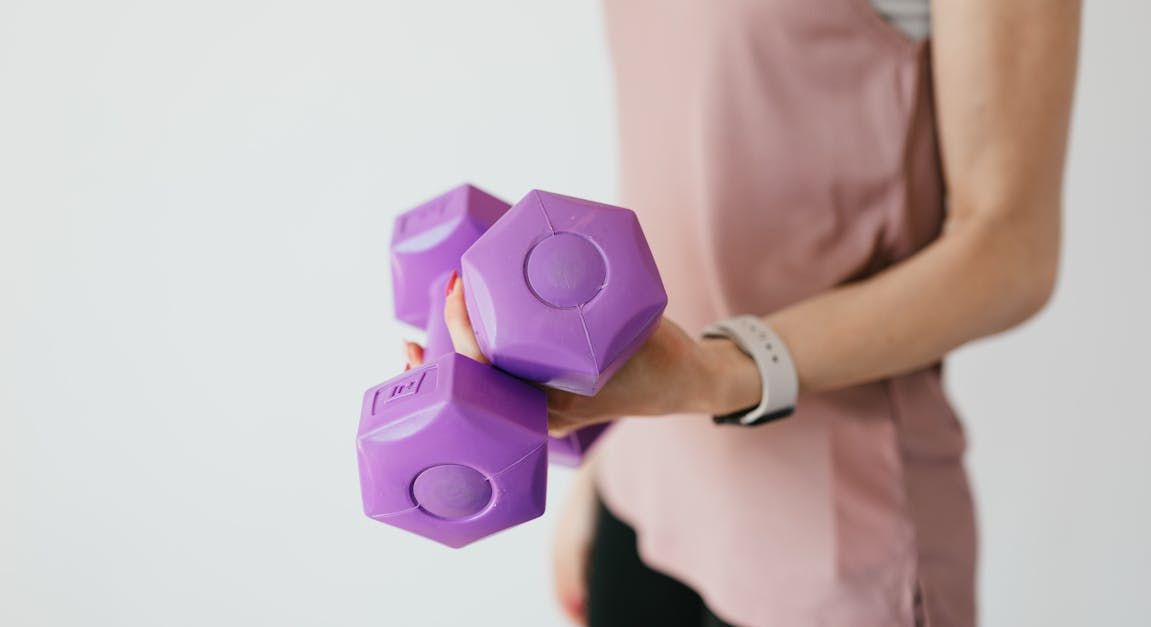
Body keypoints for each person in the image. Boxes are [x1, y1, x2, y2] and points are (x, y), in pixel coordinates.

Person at [408, 0, 1079, 624]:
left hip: (830, 555)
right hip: (642, 501)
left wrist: (716, 369)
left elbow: (1008, 250)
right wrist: (601, 454)